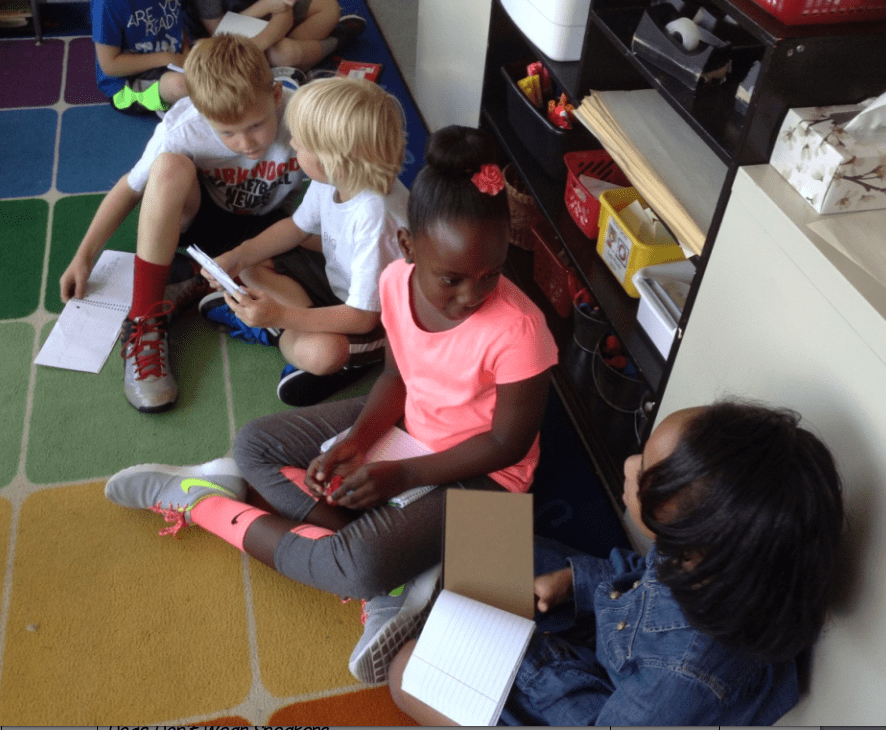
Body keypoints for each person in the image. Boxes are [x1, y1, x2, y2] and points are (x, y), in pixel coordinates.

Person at [101, 125, 560, 685]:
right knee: (255, 444)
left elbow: (507, 444)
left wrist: (399, 475)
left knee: (355, 566)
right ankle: (397, 559)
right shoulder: (396, 282)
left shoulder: (520, 330)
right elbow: (396, 375)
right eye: (452, 279)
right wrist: (359, 441)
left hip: (483, 476)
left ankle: (206, 506)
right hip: (413, 425)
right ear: (408, 248)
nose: (472, 295)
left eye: (491, 274)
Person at [386, 400, 846, 725]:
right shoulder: (714, 560)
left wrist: (536, 664)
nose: (628, 463)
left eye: (643, 472)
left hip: (600, 704)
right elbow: (643, 579)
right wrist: (573, 583)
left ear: (692, 549)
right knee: (487, 531)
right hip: (621, 639)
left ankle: (441, 615)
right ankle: (451, 608)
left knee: (405, 672)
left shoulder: (683, 680)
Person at [59, 34, 305, 413]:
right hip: (203, 223)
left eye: (256, 125)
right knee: (169, 167)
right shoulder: (184, 127)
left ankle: (200, 283)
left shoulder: (304, 113)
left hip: (272, 232)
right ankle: (144, 318)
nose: (246, 144)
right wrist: (84, 256)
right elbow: (128, 189)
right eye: (227, 133)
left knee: (307, 311)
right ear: (203, 114)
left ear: (275, 96)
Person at [196, 75, 409, 407]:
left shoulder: (375, 214)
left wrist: (279, 316)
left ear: (334, 158)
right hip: (340, 286)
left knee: (321, 353)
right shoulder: (335, 178)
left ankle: (284, 336)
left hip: (379, 320)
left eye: (302, 142)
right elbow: (296, 228)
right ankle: (288, 328)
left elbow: (363, 317)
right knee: (252, 265)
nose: (293, 144)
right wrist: (238, 256)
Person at [190, 0, 366, 71]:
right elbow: (220, 34)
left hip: (275, 22)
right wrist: (262, 8)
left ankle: (298, 59)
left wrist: (270, 35)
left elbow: (284, 9)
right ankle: (338, 39)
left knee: (329, 8)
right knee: (284, 54)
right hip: (237, 41)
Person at [91, 0, 189, 115]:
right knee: (182, 85)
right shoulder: (106, 4)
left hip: (172, 62)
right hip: (126, 87)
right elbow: (110, 66)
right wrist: (166, 59)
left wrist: (188, 57)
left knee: (202, 75)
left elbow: (179, 27)